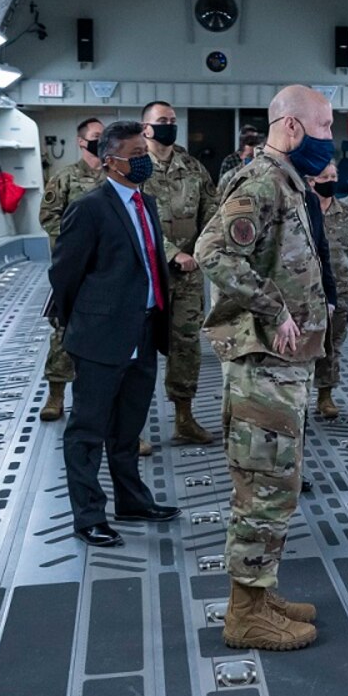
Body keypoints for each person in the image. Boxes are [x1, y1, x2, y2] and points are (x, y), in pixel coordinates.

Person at [196, 85, 335, 651]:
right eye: (325, 129)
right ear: (294, 128)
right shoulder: (261, 181)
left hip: (283, 363)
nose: (331, 141)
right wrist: (273, 306)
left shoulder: (286, 182)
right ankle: (245, 613)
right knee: (263, 484)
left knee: (277, 482)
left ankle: (257, 593)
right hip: (263, 362)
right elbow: (213, 251)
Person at [46, 121, 183, 547]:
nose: (144, 159)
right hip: (100, 335)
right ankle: (89, 515)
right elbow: (64, 272)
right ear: (110, 161)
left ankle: (132, 499)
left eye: (145, 150)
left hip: (143, 327)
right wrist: (82, 321)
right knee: (87, 430)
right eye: (135, 154)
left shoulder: (147, 204)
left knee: (128, 426)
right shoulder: (89, 208)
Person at [142, 100, 219, 446]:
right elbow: (133, 219)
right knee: (138, 349)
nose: (169, 125)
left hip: (188, 274)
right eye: (162, 120)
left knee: (186, 345)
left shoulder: (192, 167)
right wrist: (173, 253)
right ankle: (134, 429)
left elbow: (212, 212)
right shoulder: (134, 167)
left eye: (172, 120)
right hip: (145, 273)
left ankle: (184, 418)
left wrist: (199, 252)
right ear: (146, 127)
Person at [37, 117, 108, 422]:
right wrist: (74, 244)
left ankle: (99, 399)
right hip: (74, 270)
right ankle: (55, 396)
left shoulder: (115, 176)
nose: (100, 140)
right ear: (81, 142)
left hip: (106, 269)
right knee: (64, 333)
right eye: (95, 136)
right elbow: (48, 216)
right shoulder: (65, 179)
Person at [312, 161, 348, 420]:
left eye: (333, 175)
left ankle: (325, 395)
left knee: (333, 342)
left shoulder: (346, 214)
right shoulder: (302, 211)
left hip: (340, 287)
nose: (330, 180)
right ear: (311, 181)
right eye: (324, 176)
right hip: (307, 288)